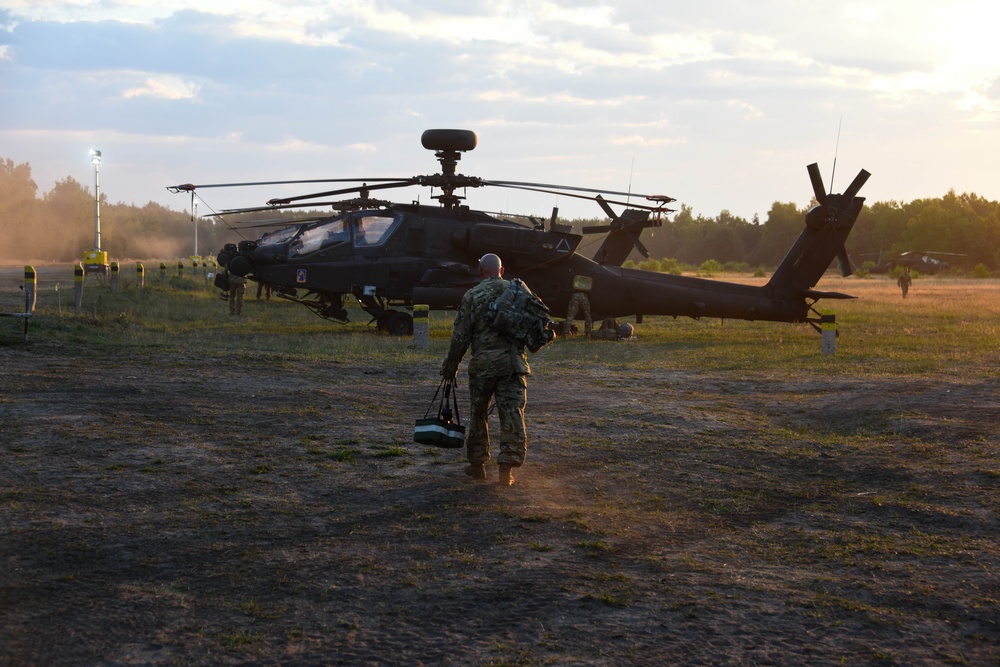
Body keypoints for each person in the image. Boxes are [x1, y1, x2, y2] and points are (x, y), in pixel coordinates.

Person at [441, 253, 532, 486]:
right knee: (512, 413)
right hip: (513, 365)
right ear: (502, 271)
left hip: (483, 366)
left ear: (480, 271)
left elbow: (461, 336)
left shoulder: (472, 295)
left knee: (478, 413)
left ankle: (477, 464)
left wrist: (451, 366)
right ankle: (506, 470)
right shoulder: (519, 292)